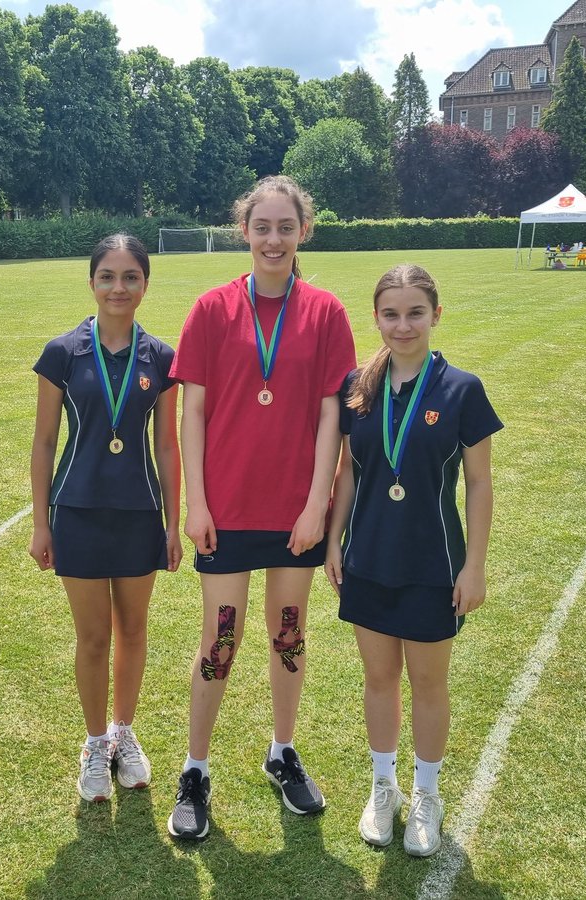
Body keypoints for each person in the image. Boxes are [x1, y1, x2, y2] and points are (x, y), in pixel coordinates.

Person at [166, 175, 356, 840]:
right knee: (220, 638)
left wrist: (316, 504)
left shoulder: (327, 312)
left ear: (304, 231)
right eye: (262, 227)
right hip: (227, 509)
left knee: (288, 636)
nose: (273, 239)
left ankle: (282, 752)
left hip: (294, 514)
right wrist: (196, 504)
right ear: (243, 231)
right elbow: (191, 410)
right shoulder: (211, 309)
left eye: (286, 227)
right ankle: (195, 769)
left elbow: (333, 412)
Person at [324, 263, 502, 855]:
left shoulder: (462, 390)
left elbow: (479, 483)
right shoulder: (359, 386)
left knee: (429, 684)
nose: (403, 326)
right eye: (391, 314)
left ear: (435, 315)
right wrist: (333, 539)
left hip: (433, 564)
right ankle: (384, 789)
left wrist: (474, 564)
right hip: (369, 559)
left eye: (415, 313)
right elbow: (348, 469)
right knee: (378, 680)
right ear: (375, 318)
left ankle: (427, 794)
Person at [29, 233, 182, 803]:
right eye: (108, 277)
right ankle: (95, 743)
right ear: (92, 282)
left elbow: (167, 447)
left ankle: (123, 732)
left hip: (139, 514)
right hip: (77, 513)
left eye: (131, 277)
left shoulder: (162, 357)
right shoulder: (62, 353)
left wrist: (172, 522)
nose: (119, 287)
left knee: (133, 631)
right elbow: (45, 442)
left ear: (145, 283)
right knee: (93, 637)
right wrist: (41, 522)